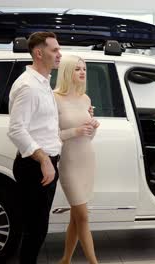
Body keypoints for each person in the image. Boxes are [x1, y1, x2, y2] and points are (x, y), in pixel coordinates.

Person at [7, 31, 62, 264]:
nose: (60, 54)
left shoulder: (42, 83)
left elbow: (43, 124)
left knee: (37, 228)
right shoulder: (28, 86)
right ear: (39, 53)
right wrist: (43, 159)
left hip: (44, 163)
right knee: (34, 229)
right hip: (35, 166)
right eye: (54, 50)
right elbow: (16, 129)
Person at [54, 55, 100, 264]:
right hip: (69, 163)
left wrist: (92, 128)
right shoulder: (54, 98)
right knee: (83, 216)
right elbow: (52, 136)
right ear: (66, 72)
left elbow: (88, 137)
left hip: (86, 160)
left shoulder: (86, 99)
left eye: (84, 69)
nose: (82, 72)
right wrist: (76, 130)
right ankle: (94, 262)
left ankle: (66, 259)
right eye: (77, 69)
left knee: (76, 216)